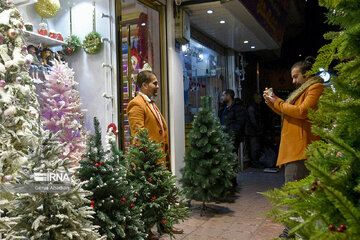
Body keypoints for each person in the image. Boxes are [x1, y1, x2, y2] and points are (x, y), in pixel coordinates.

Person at [263, 56, 325, 239]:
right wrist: (272, 101)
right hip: (295, 149)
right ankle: (295, 230)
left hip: (301, 150)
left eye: (296, 76)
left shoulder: (316, 88)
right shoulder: (305, 90)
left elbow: (301, 112)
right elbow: (288, 112)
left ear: (307, 75)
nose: (293, 81)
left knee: (295, 194)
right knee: (295, 192)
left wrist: (277, 102)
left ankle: (291, 232)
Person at [126, 70, 183, 239]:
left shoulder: (150, 103)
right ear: (144, 85)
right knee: (148, 197)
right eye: (155, 83)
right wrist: (149, 158)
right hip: (148, 161)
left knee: (162, 194)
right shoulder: (136, 103)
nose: (157, 86)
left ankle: (164, 226)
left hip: (160, 159)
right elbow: (139, 134)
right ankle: (146, 230)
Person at [219, 89, 246, 154]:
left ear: (228, 96)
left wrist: (234, 134)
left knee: (231, 155)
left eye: (223, 95)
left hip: (232, 137)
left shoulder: (237, 108)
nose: (221, 97)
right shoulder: (224, 108)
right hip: (224, 135)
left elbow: (240, 122)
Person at [245, 93, 264, 167]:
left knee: (255, 147)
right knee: (254, 147)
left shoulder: (255, 107)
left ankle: (255, 161)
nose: (260, 100)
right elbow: (253, 120)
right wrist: (258, 128)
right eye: (259, 99)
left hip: (253, 131)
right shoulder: (252, 108)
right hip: (252, 131)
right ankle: (254, 162)